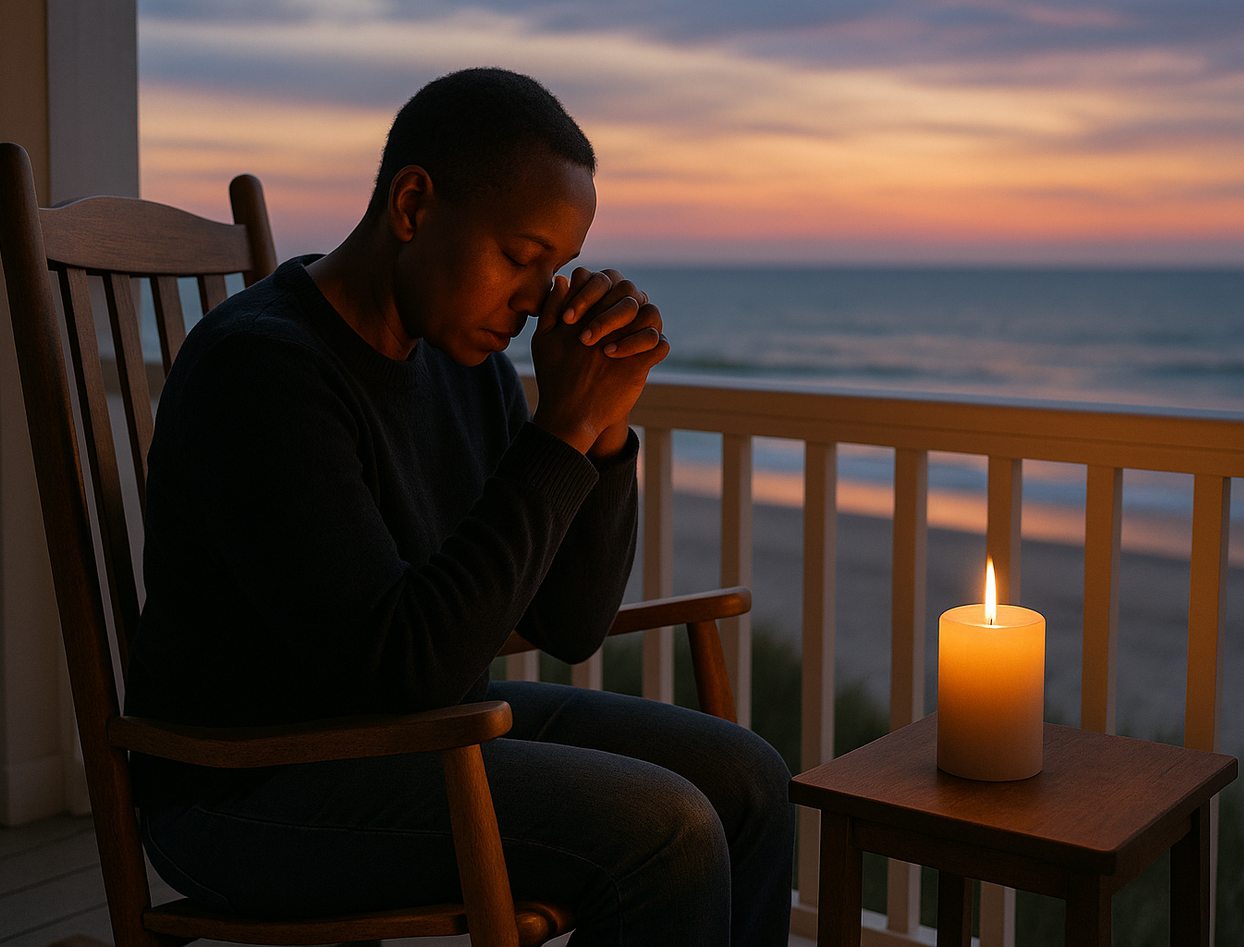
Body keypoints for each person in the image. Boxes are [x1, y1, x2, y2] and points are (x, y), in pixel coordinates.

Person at [125, 67, 794, 945]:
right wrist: (556, 432)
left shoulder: (459, 363)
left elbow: (570, 619)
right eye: (520, 258)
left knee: (747, 776)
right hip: (249, 784)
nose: (530, 303)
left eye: (551, 270)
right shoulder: (261, 372)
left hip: (422, 731)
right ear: (412, 206)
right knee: (664, 829)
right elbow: (405, 663)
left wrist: (599, 430)